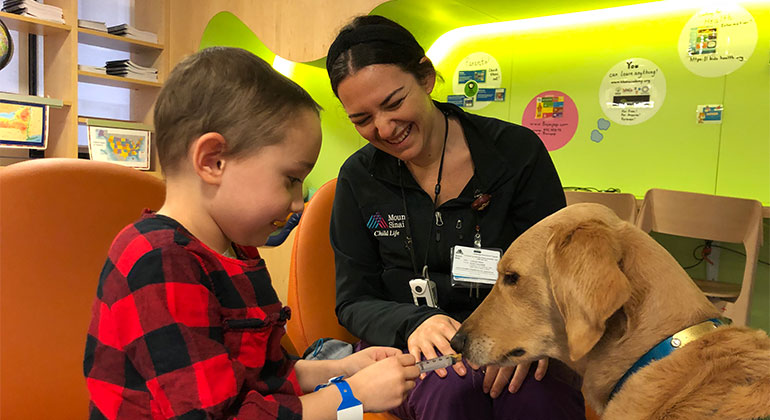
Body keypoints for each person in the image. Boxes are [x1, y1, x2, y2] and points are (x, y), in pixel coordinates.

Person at [83, 46, 419, 420]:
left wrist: (342, 369)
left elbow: (260, 378)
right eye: (291, 179)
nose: (297, 203)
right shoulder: (159, 260)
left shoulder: (235, 251)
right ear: (213, 160)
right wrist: (351, 396)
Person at [326, 16, 585, 420]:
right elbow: (353, 300)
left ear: (426, 77)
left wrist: (525, 337)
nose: (383, 127)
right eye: (361, 119)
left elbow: (558, 272)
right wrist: (415, 323)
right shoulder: (359, 178)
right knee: (451, 391)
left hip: (511, 336)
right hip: (408, 345)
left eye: (394, 103)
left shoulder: (515, 153)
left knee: (535, 399)